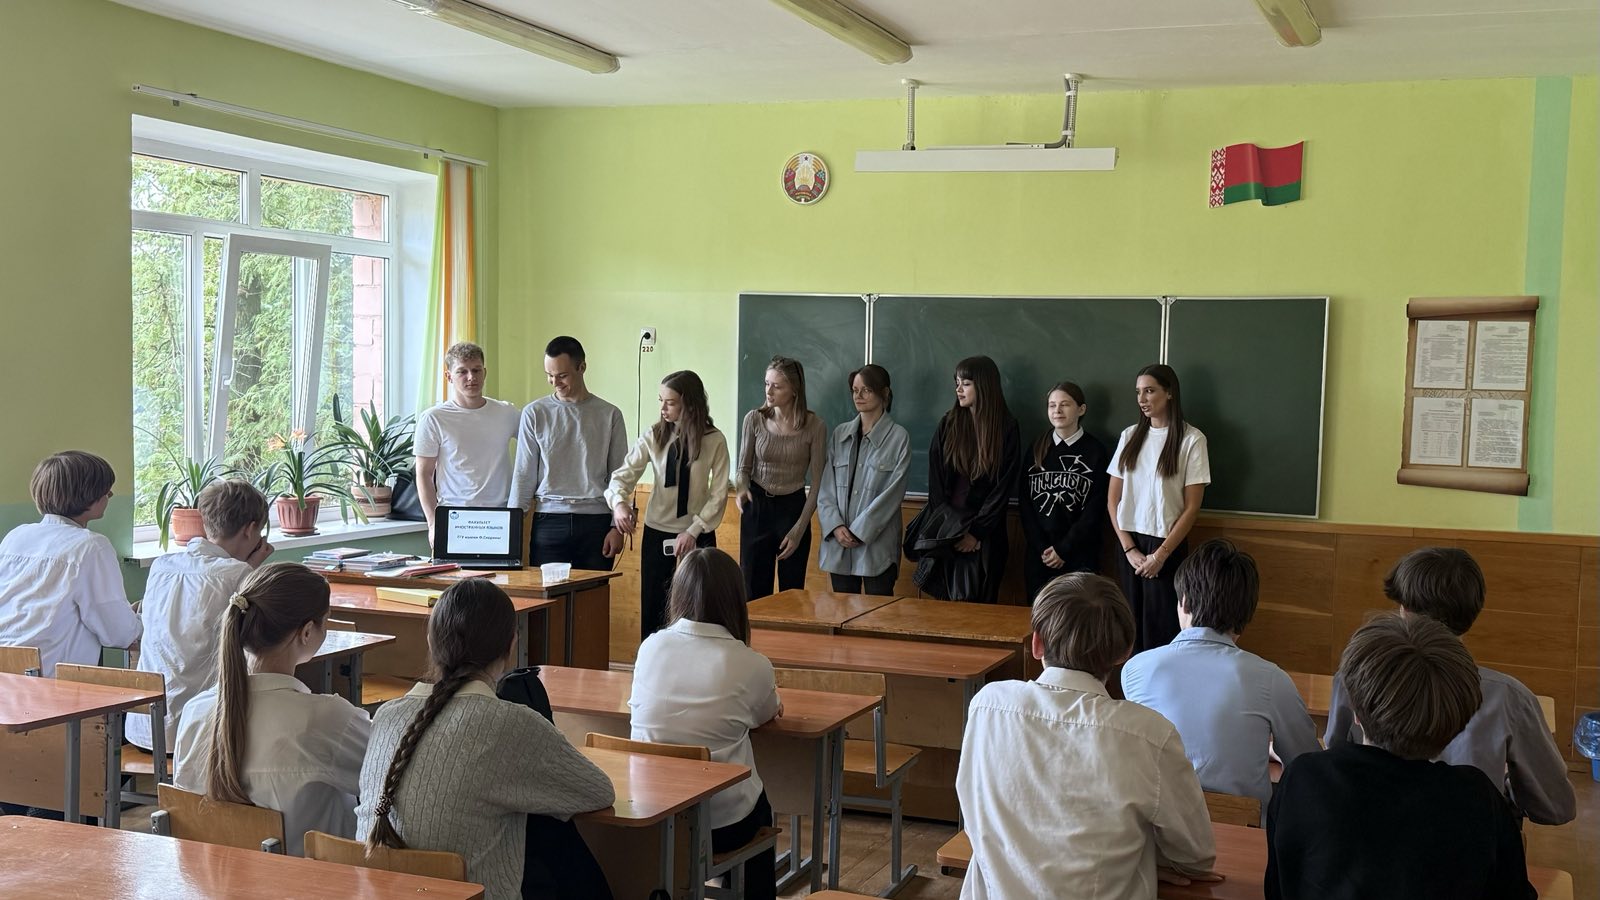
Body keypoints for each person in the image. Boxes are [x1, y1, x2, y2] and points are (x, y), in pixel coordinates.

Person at [956, 572, 1218, 899]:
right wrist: (1144, 856)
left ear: (1037, 643)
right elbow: (1196, 857)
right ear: (1124, 652)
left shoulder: (988, 704)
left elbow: (973, 813)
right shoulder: (1148, 734)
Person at [358, 579, 615, 900]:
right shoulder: (511, 723)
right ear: (511, 644)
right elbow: (598, 791)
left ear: (430, 641)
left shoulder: (386, 715)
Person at [1267, 613, 1535, 900]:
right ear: (1456, 724)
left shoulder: (1305, 779)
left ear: (1354, 711)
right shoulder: (1479, 799)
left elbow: (1279, 888)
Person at [1323, 547, 1576, 825]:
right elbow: (1555, 807)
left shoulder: (1354, 676)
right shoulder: (1510, 697)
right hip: (1467, 837)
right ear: (1472, 613)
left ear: (1404, 610)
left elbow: (1335, 760)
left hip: (1366, 828)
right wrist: (1499, 794)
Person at [173, 563, 370, 856]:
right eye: (325, 622)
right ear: (307, 632)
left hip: (214, 875)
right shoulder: (326, 718)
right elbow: (393, 775)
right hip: (314, 878)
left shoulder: (195, 710)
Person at [629, 548, 781, 900]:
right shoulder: (751, 663)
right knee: (760, 805)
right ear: (736, 600)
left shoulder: (650, 647)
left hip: (652, 812)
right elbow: (766, 712)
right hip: (720, 823)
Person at [1120, 539, 1318, 805]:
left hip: (1157, 822)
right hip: (1243, 827)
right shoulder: (1272, 679)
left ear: (1184, 602)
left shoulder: (1136, 669)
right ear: (1247, 614)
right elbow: (1307, 764)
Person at [127, 479, 274, 752]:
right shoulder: (238, 575)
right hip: (199, 736)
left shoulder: (162, 566)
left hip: (144, 730)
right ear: (250, 529)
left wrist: (246, 567)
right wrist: (250, 569)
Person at [606, 370, 731, 640]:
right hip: (658, 531)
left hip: (698, 534)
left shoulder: (714, 440)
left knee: (701, 610)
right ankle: (653, 660)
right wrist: (619, 504)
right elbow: (621, 477)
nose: (663, 408)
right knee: (655, 609)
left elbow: (719, 494)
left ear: (691, 404)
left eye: (670, 402)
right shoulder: (653, 436)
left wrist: (693, 531)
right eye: (660, 400)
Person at [0, 450, 140, 675]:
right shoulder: (91, 546)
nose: (111, 495)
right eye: (106, 490)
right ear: (88, 496)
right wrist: (139, 621)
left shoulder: (15, 537)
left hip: (7, 672)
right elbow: (118, 633)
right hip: (50, 680)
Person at [1107, 363, 1210, 651]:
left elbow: (1192, 507)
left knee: (1162, 631)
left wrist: (1161, 555)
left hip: (1167, 546)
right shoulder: (1129, 436)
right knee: (1128, 632)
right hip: (1130, 544)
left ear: (1169, 393)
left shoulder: (1191, 439)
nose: (1142, 399)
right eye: (1138, 392)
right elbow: (1113, 499)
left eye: (1150, 391)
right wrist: (1129, 548)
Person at [508, 336, 630, 571]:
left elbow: (620, 476)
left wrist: (616, 527)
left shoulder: (610, 414)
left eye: (562, 375)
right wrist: (511, 528)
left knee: (593, 592)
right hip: (549, 520)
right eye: (549, 375)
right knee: (548, 592)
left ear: (582, 367)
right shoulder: (534, 413)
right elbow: (523, 474)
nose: (555, 382)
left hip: (596, 522)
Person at [923, 356, 1021, 604]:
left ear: (985, 386)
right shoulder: (949, 423)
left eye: (966, 383)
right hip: (948, 534)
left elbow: (1002, 488)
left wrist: (976, 534)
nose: (958, 389)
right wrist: (949, 530)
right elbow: (936, 481)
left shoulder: (1006, 428)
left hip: (986, 537)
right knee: (944, 609)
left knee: (981, 608)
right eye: (957, 383)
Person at [734, 356, 827, 601]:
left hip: (793, 508)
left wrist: (799, 530)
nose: (769, 391)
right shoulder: (753, 419)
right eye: (767, 384)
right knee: (753, 591)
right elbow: (743, 469)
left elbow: (818, 483)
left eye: (777, 386)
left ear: (794, 390)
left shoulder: (815, 426)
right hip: (757, 506)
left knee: (792, 594)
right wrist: (741, 489)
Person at [816, 364, 911, 596]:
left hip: (877, 548)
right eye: (855, 390)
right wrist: (835, 526)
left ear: (884, 393)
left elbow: (892, 494)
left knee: (878, 614)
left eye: (866, 390)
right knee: (840, 613)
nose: (858, 396)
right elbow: (826, 487)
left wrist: (860, 531)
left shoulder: (898, 438)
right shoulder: (840, 434)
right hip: (839, 544)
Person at [414, 341, 521, 541]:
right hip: (454, 517)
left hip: (499, 516)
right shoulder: (433, 418)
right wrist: (433, 523)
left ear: (484, 373)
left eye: (476, 370)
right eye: (462, 371)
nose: (471, 377)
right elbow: (423, 474)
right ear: (449, 376)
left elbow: (538, 444)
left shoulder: (507, 412)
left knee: (503, 564)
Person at [1019, 381, 1110, 601]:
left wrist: (1064, 549)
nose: (1057, 410)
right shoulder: (1036, 448)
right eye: (1052, 405)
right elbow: (1025, 502)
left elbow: (1095, 508)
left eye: (1065, 404)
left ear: (1081, 409)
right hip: (1040, 556)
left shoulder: (1096, 451)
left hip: (1080, 555)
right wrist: (1042, 548)